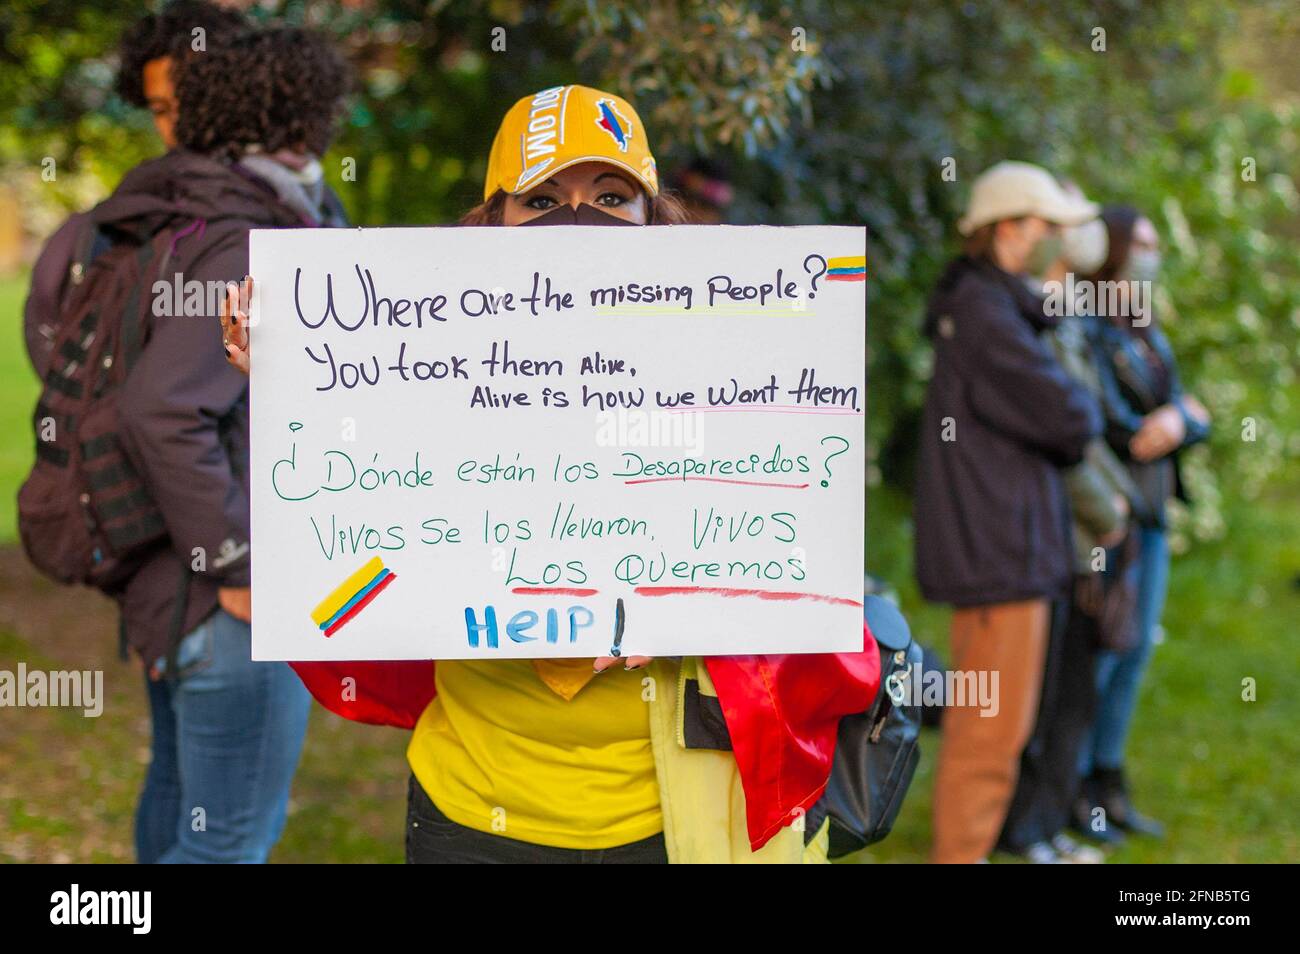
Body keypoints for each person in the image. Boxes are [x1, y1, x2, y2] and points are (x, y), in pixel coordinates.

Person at [222, 84, 882, 864]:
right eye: (542, 198)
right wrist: (291, 377)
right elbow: (354, 542)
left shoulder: (725, 372)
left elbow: (793, 595)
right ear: (493, 219)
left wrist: (686, 608)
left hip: (663, 818)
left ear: (652, 219)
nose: (580, 218)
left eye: (610, 194)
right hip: (472, 808)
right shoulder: (426, 367)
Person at [25, 21, 350, 863]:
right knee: (228, 843)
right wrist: (239, 564)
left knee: (179, 805)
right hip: (224, 603)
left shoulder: (173, 212)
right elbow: (161, 408)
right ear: (300, 112)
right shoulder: (244, 236)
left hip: (168, 587)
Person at [914, 160, 1103, 864]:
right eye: (1052, 227)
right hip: (998, 558)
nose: (1062, 242)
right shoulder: (987, 316)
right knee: (987, 736)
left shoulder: (995, 307)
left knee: (997, 729)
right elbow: (1071, 414)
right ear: (1013, 229)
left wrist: (1047, 305)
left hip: (1009, 552)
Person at [996, 199, 1145, 863]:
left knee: (1075, 685)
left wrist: (1121, 501)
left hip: (1091, 524)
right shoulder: (1028, 318)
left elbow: (1088, 427)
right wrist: (1109, 511)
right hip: (1059, 531)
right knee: (1046, 687)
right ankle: (1023, 827)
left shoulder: (1070, 312)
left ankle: (1048, 821)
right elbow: (1063, 437)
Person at [1073, 205, 1211, 841]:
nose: (1153, 253)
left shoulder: (1146, 329)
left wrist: (1181, 422)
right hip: (1112, 513)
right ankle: (1071, 792)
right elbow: (1116, 430)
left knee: (1134, 656)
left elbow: (1190, 412)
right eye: (1144, 241)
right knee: (1102, 654)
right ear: (1115, 250)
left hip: (1153, 514)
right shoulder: (1090, 328)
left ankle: (1110, 782)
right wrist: (1171, 423)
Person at [24, 0, 247, 372]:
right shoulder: (113, 225)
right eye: (161, 109)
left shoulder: (299, 208)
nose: (180, 125)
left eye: (196, 103)